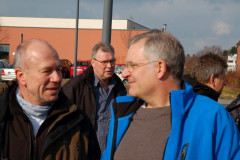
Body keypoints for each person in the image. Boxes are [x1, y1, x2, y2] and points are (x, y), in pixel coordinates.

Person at [101, 30, 240, 160]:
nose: (124, 73)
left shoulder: (213, 118)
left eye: (133, 66)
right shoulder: (122, 113)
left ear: (159, 68)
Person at [0, 39, 101, 160]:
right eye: (47, 71)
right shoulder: (3, 116)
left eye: (58, 69)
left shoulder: (79, 122)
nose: (57, 78)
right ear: (21, 76)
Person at [62, 42, 127, 154]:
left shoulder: (119, 87)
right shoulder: (76, 86)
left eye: (112, 61)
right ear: (93, 62)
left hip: (112, 152)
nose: (109, 66)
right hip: (85, 152)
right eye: (104, 62)